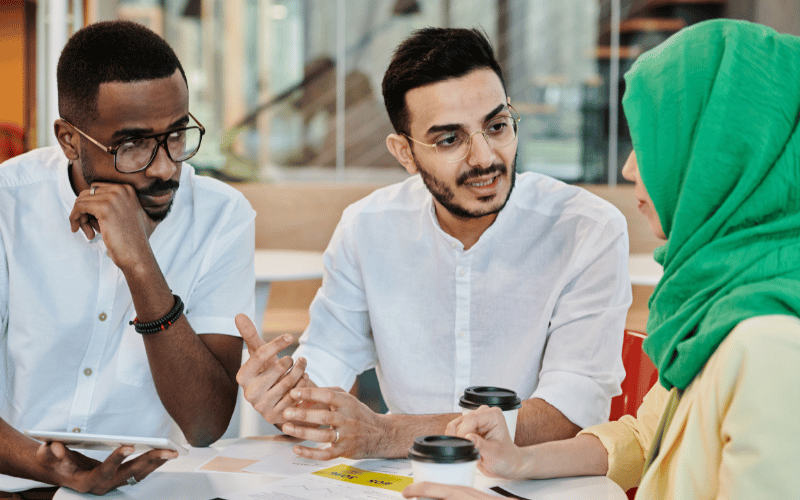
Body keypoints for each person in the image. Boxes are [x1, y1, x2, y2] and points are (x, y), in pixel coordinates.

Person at [403, 19, 800, 500]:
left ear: (726, 159)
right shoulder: (722, 297)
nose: (630, 166)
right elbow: (643, 435)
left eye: (657, 145)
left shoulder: (771, 346)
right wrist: (520, 459)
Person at [236, 27, 630, 460]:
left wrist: (391, 434)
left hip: (540, 485)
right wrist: (288, 399)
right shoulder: (367, 227)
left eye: (497, 126)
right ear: (404, 153)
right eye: (449, 139)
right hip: (405, 484)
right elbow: (325, 365)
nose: (484, 157)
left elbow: (570, 412)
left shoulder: (587, 229)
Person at [0, 21, 255, 495]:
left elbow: (205, 424)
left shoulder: (223, 216)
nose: (164, 167)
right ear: (69, 140)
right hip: (16, 486)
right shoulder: (7, 203)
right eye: (133, 145)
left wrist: (141, 264)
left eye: (177, 135)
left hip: (152, 492)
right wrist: (55, 469)